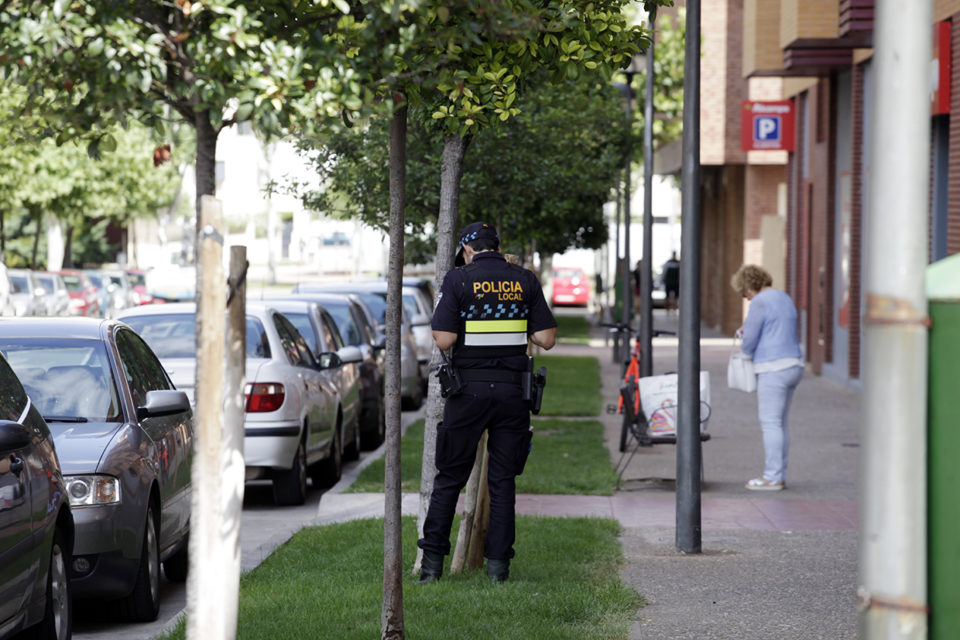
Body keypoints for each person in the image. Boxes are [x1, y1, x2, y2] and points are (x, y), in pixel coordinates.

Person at [418, 221, 557, 583]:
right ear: (497, 246)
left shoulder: (459, 280)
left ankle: (431, 569)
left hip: (468, 394)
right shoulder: (524, 279)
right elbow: (546, 337)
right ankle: (498, 571)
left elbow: (445, 340)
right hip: (512, 395)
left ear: (467, 249)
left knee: (449, 478)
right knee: (503, 481)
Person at [730, 264, 804, 491]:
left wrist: (743, 351)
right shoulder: (783, 297)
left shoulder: (760, 302)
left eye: (744, 294)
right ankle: (778, 473)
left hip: (772, 367)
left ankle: (772, 477)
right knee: (780, 423)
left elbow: (750, 338)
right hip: (793, 364)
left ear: (749, 288)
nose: (746, 298)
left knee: (770, 423)